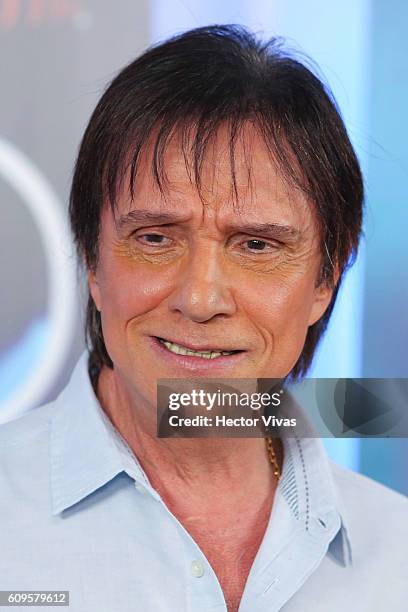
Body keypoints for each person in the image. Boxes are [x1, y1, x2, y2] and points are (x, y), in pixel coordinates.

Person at [1, 25, 407, 612]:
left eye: (257, 246)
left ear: (326, 278)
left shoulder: (394, 557)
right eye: (156, 237)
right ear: (92, 259)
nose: (200, 298)